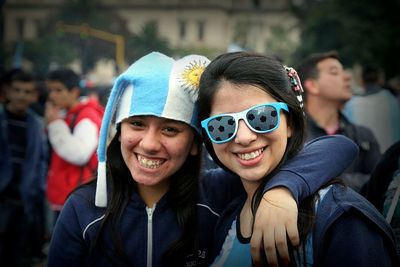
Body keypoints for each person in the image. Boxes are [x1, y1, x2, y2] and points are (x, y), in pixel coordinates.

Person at [47, 52, 358, 266]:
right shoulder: (85, 208)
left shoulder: (219, 193)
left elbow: (338, 147)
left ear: (197, 143)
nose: (150, 143)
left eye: (170, 129)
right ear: (117, 130)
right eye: (137, 124)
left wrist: (283, 188)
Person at [198, 51, 399, 266]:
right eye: (222, 125)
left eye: (262, 117)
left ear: (290, 124)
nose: (244, 137)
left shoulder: (339, 218)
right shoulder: (227, 212)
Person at [295, 51, 381, 193]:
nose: (348, 77)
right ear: (312, 85)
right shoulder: (294, 134)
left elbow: (380, 182)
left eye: (344, 71)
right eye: (334, 72)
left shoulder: (363, 137)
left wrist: (326, 180)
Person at [0, 70, 48, 266]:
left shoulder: (36, 125)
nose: (21, 95)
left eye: (27, 91)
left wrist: (36, 190)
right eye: (17, 90)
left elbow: (41, 161)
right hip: (2, 198)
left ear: (33, 95)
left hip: (25, 201)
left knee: (18, 257)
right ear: (7, 91)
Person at [44, 68, 104, 225]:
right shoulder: (68, 113)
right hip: (66, 193)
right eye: (50, 90)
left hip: (75, 196)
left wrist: (55, 124)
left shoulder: (86, 116)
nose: (52, 96)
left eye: (58, 90)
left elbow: (79, 154)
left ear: (74, 91)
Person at [344, 65, 400, 152]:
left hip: (365, 156)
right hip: (390, 155)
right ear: (380, 80)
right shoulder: (391, 100)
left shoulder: (351, 104)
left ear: (361, 81)